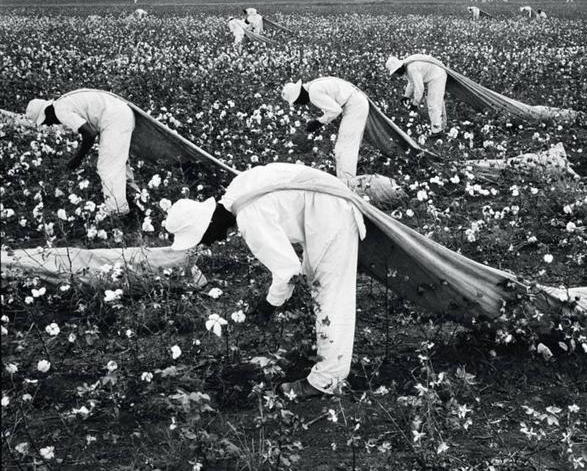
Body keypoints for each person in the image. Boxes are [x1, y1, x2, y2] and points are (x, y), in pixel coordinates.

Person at [164, 163, 367, 399]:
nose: (209, 243)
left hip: (331, 210)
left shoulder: (249, 217)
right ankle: (325, 357)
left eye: (203, 238)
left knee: (331, 295)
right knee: (319, 284)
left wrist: (269, 305)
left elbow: (289, 271)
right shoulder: (236, 191)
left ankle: (326, 381)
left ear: (208, 224)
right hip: (325, 204)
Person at [25, 91, 139, 217]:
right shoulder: (63, 102)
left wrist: (77, 158)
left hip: (115, 119)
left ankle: (118, 213)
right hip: (120, 114)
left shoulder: (60, 110)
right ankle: (135, 201)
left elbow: (89, 134)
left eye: (46, 121)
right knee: (118, 163)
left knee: (108, 168)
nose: (49, 124)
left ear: (47, 112)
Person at [280, 78, 369, 183]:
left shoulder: (314, 93)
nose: (300, 104)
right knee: (344, 146)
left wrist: (318, 122)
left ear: (299, 94)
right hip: (355, 103)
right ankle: (345, 180)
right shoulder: (314, 86)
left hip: (355, 106)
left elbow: (336, 110)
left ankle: (348, 183)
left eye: (297, 101)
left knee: (345, 147)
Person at [386, 55, 447, 133]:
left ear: (400, 67)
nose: (397, 74)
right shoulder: (407, 67)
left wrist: (415, 103)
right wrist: (406, 96)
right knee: (437, 102)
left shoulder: (412, 68)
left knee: (433, 104)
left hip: (437, 76)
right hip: (434, 75)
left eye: (396, 71)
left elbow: (419, 88)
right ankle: (442, 126)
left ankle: (437, 131)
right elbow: (411, 82)